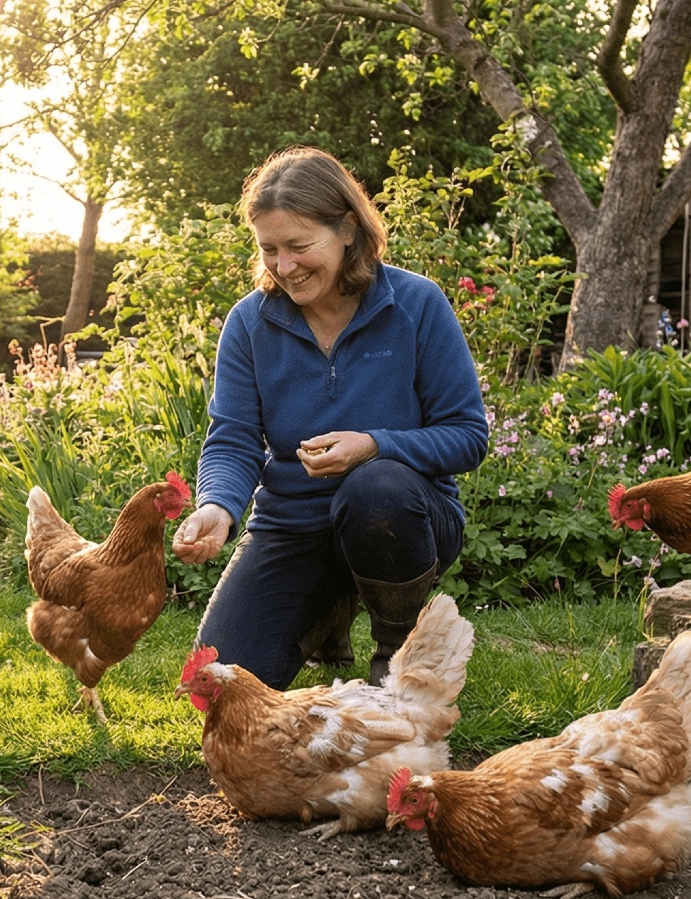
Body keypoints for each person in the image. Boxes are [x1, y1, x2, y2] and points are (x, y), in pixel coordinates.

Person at [171, 147, 489, 687]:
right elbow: (233, 439)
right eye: (269, 249)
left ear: (347, 229)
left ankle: (396, 651)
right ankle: (326, 612)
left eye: (298, 246)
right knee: (226, 679)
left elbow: (467, 435)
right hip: (293, 526)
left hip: (402, 515)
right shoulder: (250, 324)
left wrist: (374, 444)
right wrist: (219, 507)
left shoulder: (417, 305)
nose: (284, 266)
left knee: (376, 489)